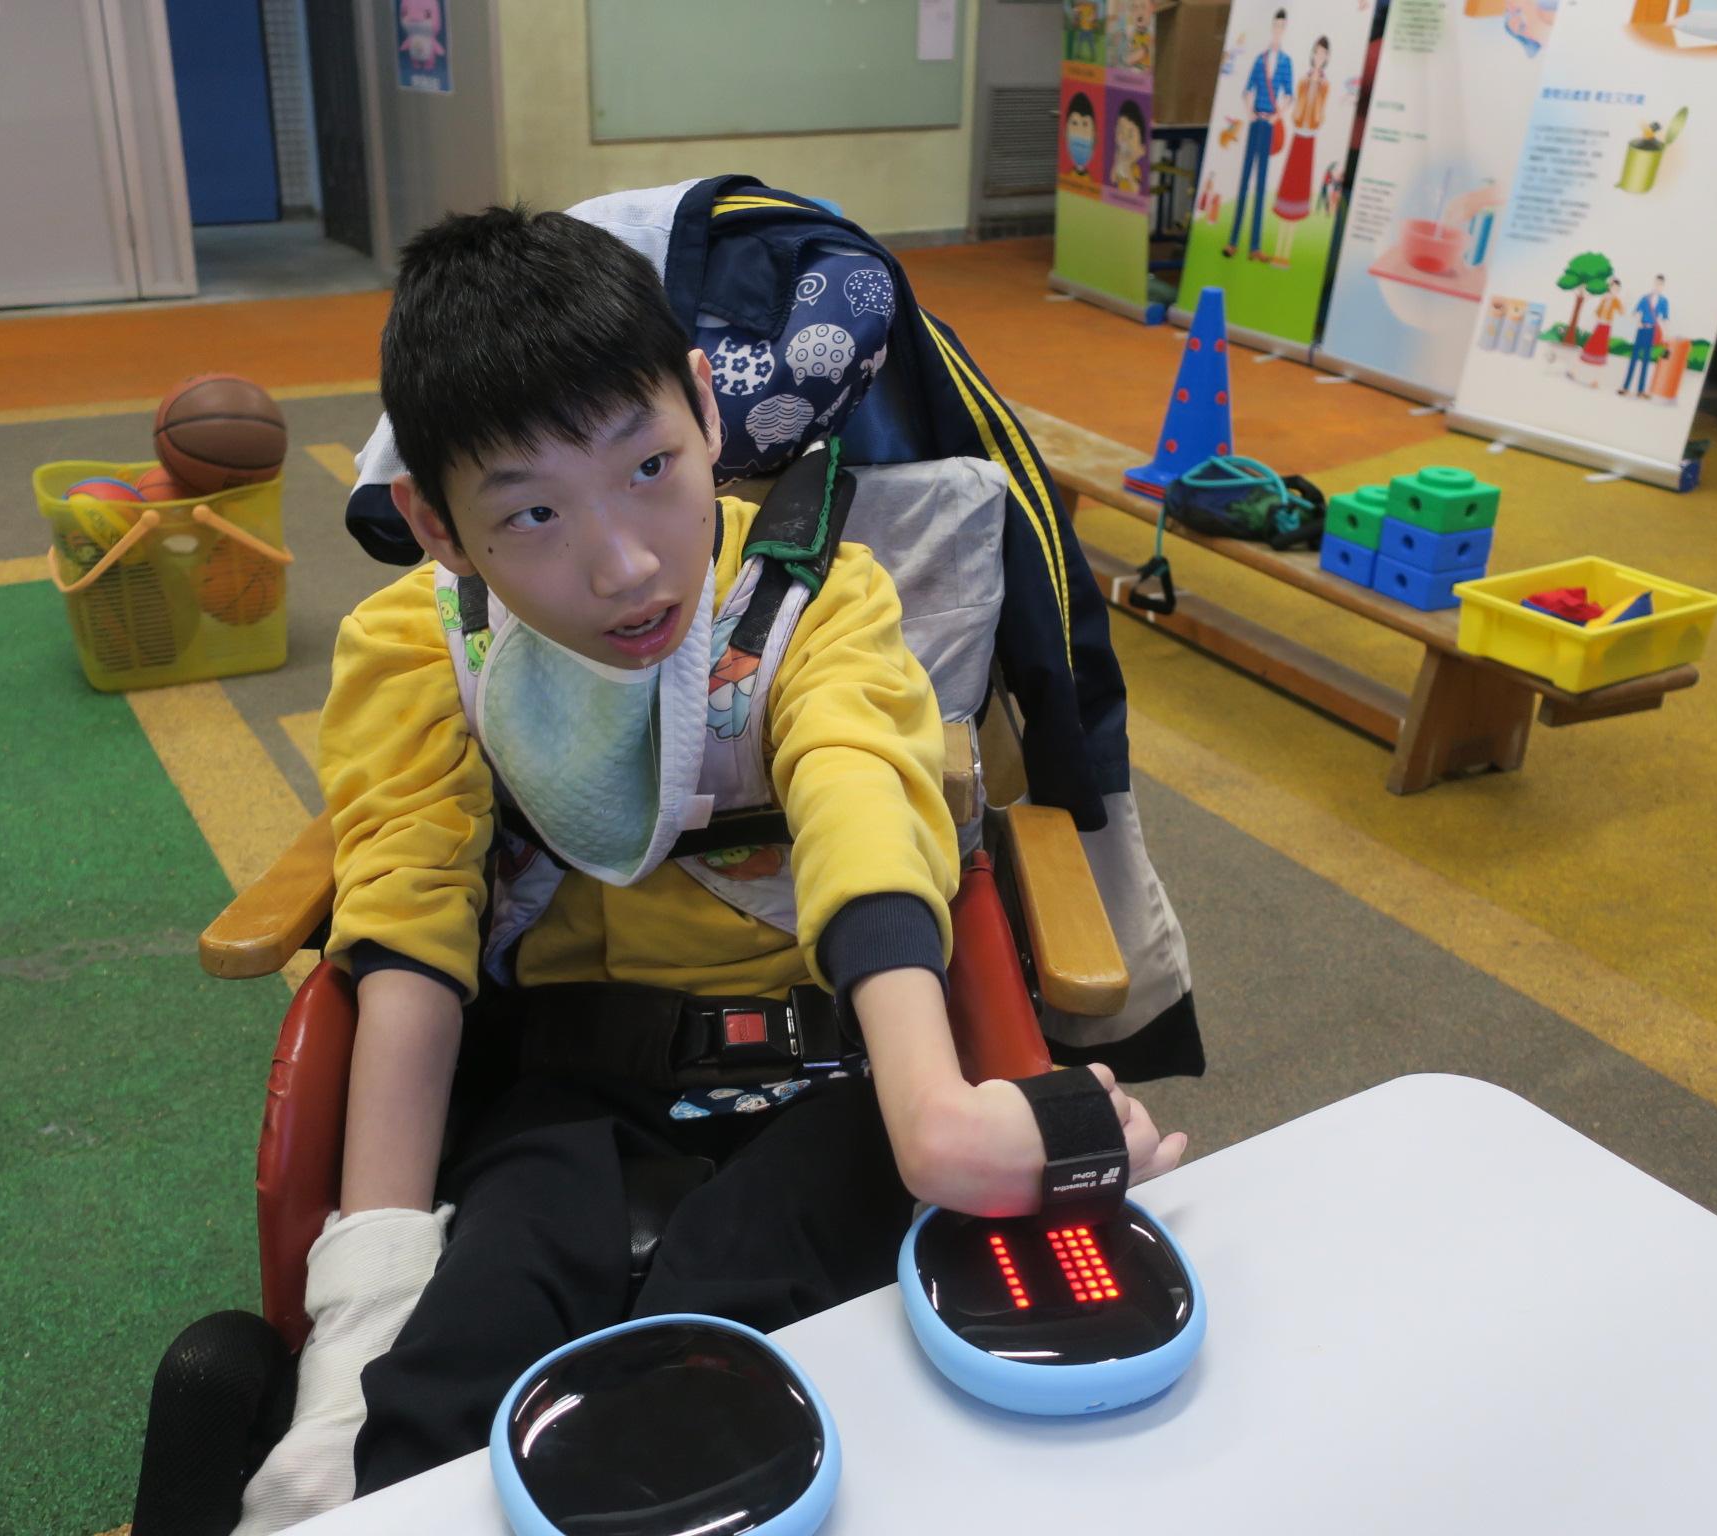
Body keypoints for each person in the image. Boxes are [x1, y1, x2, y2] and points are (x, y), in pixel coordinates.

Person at [229, 206, 1189, 1533]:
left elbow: (865, 806)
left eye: (649, 468)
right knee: (448, 1366)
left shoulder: (815, 594)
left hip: (835, 1064)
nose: (624, 564)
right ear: (436, 526)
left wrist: (933, 1112)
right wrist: (364, 1304)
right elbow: (409, 918)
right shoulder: (422, 643)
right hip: (565, 1081)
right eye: (531, 513)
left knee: (727, 1328)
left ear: (702, 404)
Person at [1225, 9, 1295, 263]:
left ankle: (1255, 246)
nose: (1278, 30)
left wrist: (1277, 117)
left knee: (1262, 184)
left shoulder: (1285, 61)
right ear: (1271, 27)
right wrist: (1250, 114)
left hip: (1269, 125)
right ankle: (1233, 241)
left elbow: (1289, 94)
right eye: (1276, 25)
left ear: (1285, 29)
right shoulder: (1259, 60)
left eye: (1281, 26)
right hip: (1256, 122)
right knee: (1244, 180)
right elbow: (1247, 90)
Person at [1269, 34, 1329, 267]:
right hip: (1298, 138)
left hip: (1309, 139)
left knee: (1300, 193)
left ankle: (1286, 253)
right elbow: (1297, 110)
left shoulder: (1325, 84)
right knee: (1288, 190)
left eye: (1323, 53)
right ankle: (1277, 251)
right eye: (1317, 52)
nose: (1319, 56)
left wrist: (1317, 88)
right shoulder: (1303, 81)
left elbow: (1320, 114)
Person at [1621, 275, 1668, 398]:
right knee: (1634, 358)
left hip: (1652, 331)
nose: (1658, 286)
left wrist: (1665, 336)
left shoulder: (1664, 301)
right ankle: (1625, 387)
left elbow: (1665, 319)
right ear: (1653, 283)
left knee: (1646, 360)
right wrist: (1638, 323)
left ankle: (1641, 391)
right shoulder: (1645, 298)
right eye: (1656, 283)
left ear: (1663, 286)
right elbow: (1636, 312)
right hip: (1641, 330)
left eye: (1660, 284)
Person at [1576, 275, 1624, 387]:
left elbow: (1621, 312)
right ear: (1610, 287)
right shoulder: (1604, 298)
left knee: (1601, 353)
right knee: (1588, 348)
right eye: (1613, 287)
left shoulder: (1617, 301)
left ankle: (1596, 380)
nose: (1614, 290)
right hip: (1599, 326)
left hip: (1607, 327)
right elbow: (1597, 312)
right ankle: (1576, 372)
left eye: (1617, 289)